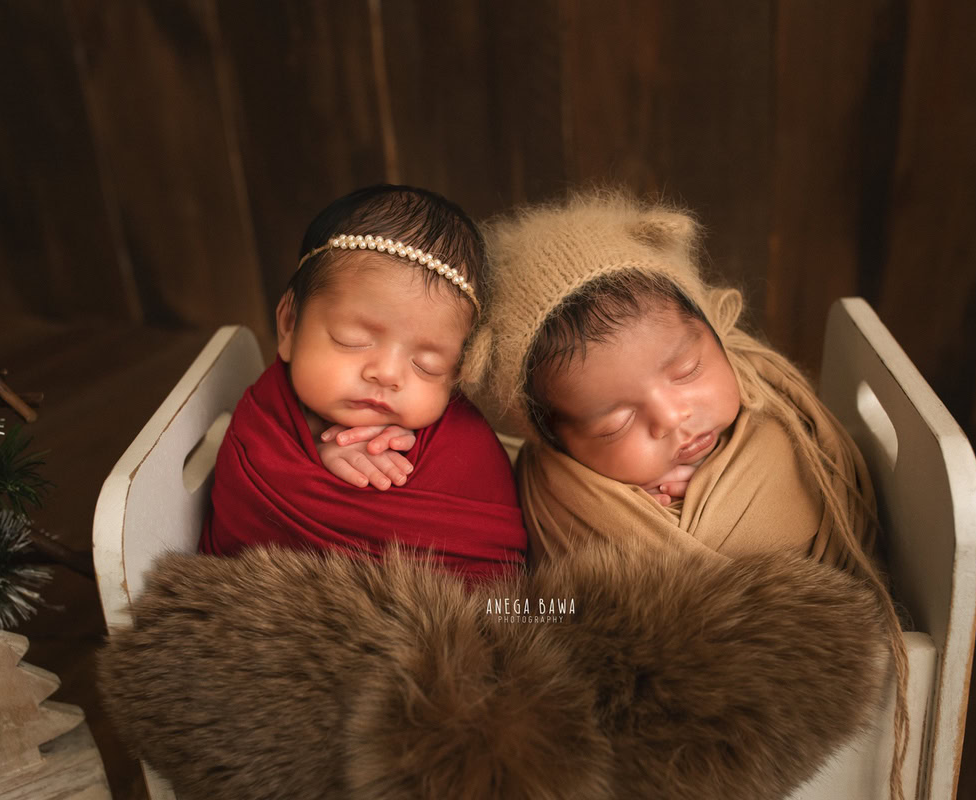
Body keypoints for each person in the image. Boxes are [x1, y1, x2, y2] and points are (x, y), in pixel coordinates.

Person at [461, 188, 910, 798]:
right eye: (615, 423)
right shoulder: (548, 493)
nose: (674, 417)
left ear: (713, 332)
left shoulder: (784, 430)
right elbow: (559, 610)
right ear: (556, 441)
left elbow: (817, 523)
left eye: (687, 370)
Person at [199, 185, 527, 583]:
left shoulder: (463, 452)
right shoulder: (265, 429)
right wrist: (323, 459)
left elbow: (493, 575)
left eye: (427, 365)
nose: (387, 374)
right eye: (351, 341)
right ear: (288, 325)